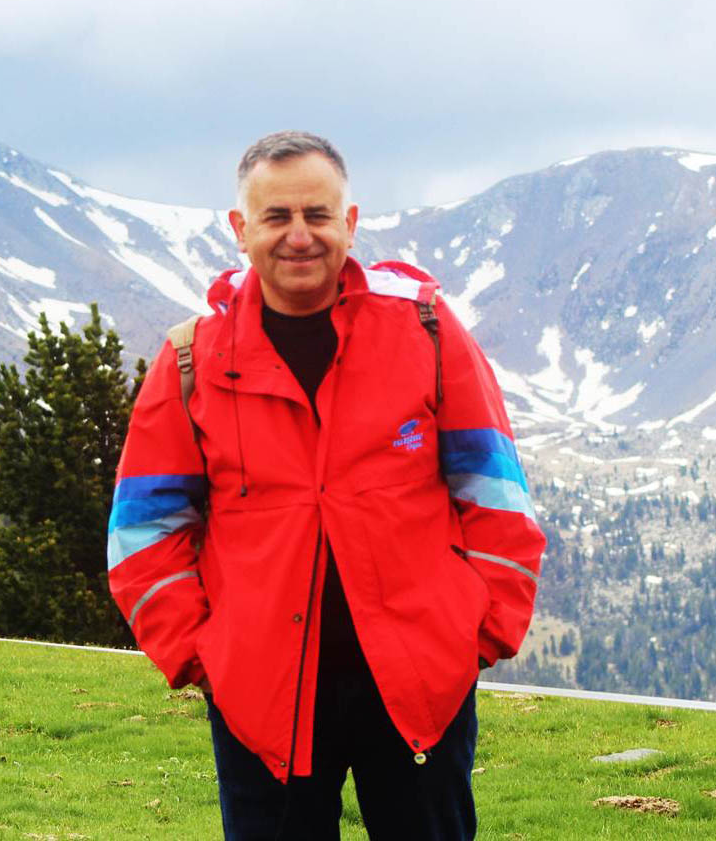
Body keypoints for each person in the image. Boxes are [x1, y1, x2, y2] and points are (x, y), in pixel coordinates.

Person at [107, 131, 546, 840]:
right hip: (260, 696)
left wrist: (478, 635)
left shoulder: (426, 330)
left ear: (351, 222)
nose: (299, 236)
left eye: (317, 214)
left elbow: (494, 492)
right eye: (277, 216)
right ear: (240, 229)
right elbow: (143, 530)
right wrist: (202, 656)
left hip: (420, 684)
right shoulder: (192, 357)